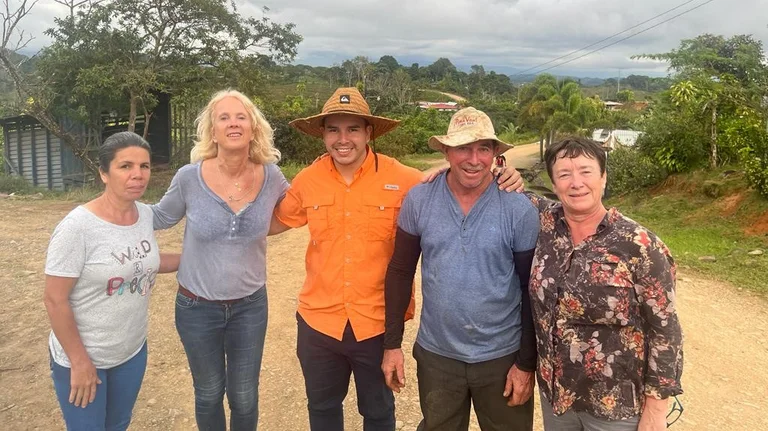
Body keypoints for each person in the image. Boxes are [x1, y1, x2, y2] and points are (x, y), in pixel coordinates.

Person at [268, 87, 427, 430]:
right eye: (333, 130)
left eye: (352, 129)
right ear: (323, 135)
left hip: (376, 324)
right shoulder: (308, 179)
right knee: (322, 408)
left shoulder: (404, 179)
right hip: (318, 323)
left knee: (378, 412)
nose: (343, 139)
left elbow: (452, 188)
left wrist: (502, 177)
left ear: (369, 133)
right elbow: (273, 222)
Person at [503, 136, 684, 430]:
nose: (576, 183)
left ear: (603, 177)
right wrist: (442, 174)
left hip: (617, 406)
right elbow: (483, 179)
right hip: (557, 401)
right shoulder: (544, 222)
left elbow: (665, 330)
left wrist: (656, 407)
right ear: (553, 183)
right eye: (564, 174)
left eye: (586, 171)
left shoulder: (639, 244)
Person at [382, 107, 540, 431]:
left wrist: (526, 363)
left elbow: (530, 289)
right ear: (446, 151)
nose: (474, 159)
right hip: (438, 355)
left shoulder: (517, 208)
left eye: (484, 148)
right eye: (463, 148)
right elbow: (400, 271)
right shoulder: (420, 200)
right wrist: (392, 344)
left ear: (495, 154)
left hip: (501, 356)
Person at [152, 89, 289, 431]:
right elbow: (159, 217)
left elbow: (298, 209)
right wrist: (113, 207)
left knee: (244, 397)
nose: (233, 123)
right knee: (209, 393)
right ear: (212, 131)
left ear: (253, 128)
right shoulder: (189, 177)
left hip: (250, 307)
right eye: (224, 118)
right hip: (196, 307)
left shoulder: (271, 176)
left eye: (241, 117)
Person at [44, 131, 180, 431]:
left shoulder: (144, 215)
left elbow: (141, 263)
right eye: (125, 166)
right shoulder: (78, 227)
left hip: (131, 351)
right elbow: (55, 299)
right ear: (104, 173)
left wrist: (193, 259)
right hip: (84, 357)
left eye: (144, 166)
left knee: (118, 424)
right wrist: (79, 361)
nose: (138, 175)